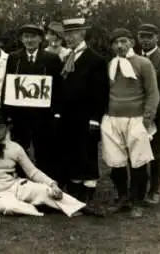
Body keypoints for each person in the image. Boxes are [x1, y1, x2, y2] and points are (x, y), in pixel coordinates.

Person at [0, 107, 85, 217]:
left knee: (45, 190)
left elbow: (32, 171)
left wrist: (52, 184)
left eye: (0, 127)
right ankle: (36, 208)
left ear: (8, 128)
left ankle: (77, 207)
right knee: (8, 207)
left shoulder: (15, 148)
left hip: (16, 187)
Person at [102, 28, 159, 218]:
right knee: (116, 161)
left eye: (123, 41)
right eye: (116, 42)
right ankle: (122, 197)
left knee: (138, 162)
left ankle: (137, 201)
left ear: (131, 43)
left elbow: (153, 93)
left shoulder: (143, 63)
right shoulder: (111, 63)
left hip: (136, 120)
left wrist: (146, 120)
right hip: (113, 118)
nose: (120, 46)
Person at [56, 18, 110, 216]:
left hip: (87, 116)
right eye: (66, 34)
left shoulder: (95, 59)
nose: (68, 38)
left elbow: (100, 92)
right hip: (70, 116)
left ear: (82, 34)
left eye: (72, 34)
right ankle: (76, 186)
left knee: (87, 151)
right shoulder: (69, 57)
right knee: (73, 150)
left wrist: (95, 118)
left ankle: (88, 190)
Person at [2, 24, 63, 182]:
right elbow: (8, 85)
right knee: (20, 149)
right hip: (20, 115)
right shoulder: (14, 58)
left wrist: (56, 112)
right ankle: (21, 182)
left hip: (43, 116)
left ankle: (46, 183)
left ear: (41, 39)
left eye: (33, 37)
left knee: (44, 150)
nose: (29, 40)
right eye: (26, 37)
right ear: (22, 39)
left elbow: (58, 88)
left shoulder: (51, 59)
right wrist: (6, 113)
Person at [137, 23, 160, 205]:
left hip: (159, 113)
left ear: (156, 38)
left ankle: (155, 189)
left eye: (149, 37)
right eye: (142, 37)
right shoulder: (135, 58)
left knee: (157, 153)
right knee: (138, 151)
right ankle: (138, 189)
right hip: (138, 111)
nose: (145, 41)